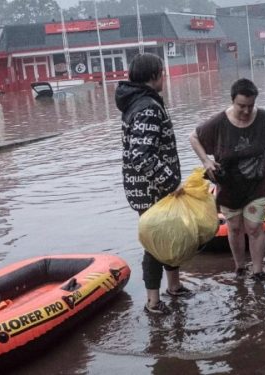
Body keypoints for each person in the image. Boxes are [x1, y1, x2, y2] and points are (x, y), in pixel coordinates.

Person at [189, 78, 265, 282]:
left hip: (257, 185)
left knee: (254, 227)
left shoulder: (262, 117)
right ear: (233, 101)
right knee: (234, 227)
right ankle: (240, 267)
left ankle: (258, 271)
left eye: (250, 106)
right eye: (241, 106)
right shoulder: (219, 122)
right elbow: (193, 137)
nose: (246, 111)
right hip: (229, 186)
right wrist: (206, 161)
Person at [115, 53, 191, 315]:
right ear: (154, 75)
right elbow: (141, 155)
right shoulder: (147, 107)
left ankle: (174, 287)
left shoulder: (137, 102)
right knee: (155, 243)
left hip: (145, 189)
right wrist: (171, 182)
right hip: (152, 191)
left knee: (167, 237)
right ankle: (153, 302)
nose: (164, 77)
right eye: (162, 72)